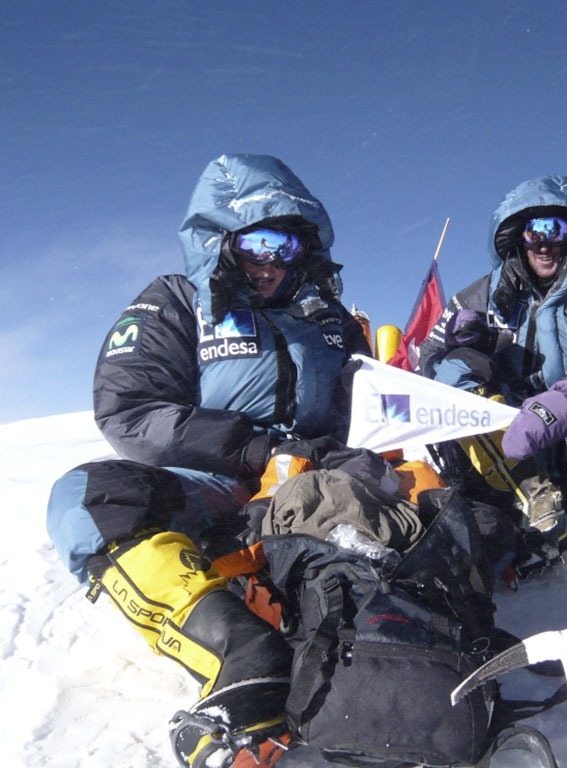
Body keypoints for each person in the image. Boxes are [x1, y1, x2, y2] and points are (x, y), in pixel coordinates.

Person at [46, 154, 371, 768]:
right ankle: (243, 655)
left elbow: (370, 409)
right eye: (256, 240)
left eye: (288, 241)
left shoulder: (330, 321)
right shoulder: (175, 301)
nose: (271, 259)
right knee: (87, 499)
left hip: (323, 481)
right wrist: (251, 448)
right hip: (217, 482)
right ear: (221, 240)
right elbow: (130, 407)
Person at [417, 175, 567, 565]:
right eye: (535, 232)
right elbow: (426, 357)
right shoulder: (476, 297)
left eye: (556, 229)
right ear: (519, 236)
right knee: (453, 370)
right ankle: (529, 490)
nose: (545, 243)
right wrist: (461, 353)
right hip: (503, 450)